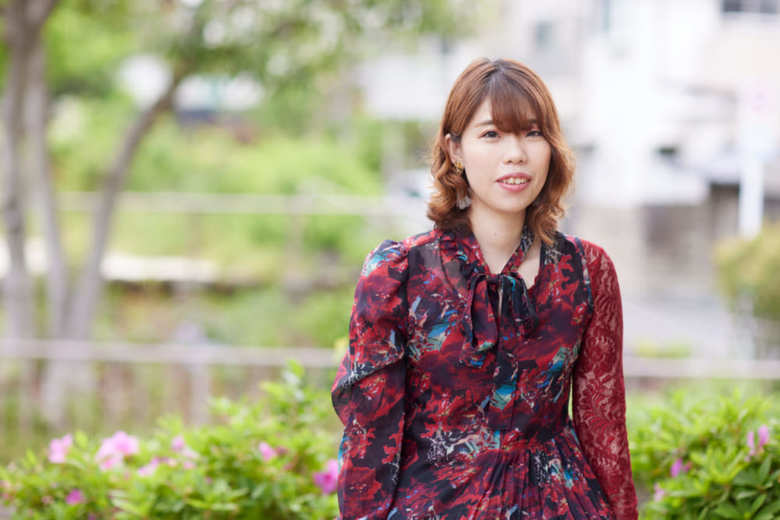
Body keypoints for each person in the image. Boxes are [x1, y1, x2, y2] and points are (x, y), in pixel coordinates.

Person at [331, 57, 638, 520]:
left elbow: (604, 427)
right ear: (455, 149)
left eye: (532, 133)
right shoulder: (398, 273)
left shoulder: (587, 271)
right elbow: (369, 437)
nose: (516, 153)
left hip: (559, 505)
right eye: (492, 134)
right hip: (433, 506)